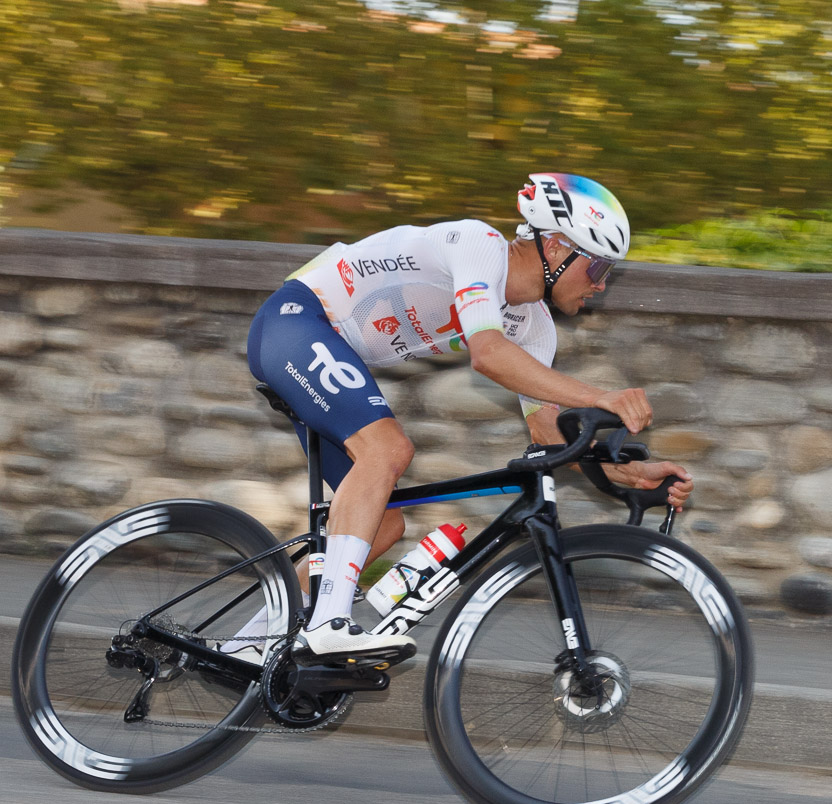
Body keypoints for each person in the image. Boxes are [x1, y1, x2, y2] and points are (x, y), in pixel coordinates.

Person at [244, 172, 693, 666]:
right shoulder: (480, 245)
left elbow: (548, 434)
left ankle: (249, 645)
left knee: (384, 524)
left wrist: (626, 473)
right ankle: (328, 626)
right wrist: (602, 397)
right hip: (296, 319)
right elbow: (487, 354)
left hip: (327, 349)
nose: (602, 284)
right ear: (557, 247)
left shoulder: (534, 328)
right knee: (387, 449)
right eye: (599, 266)